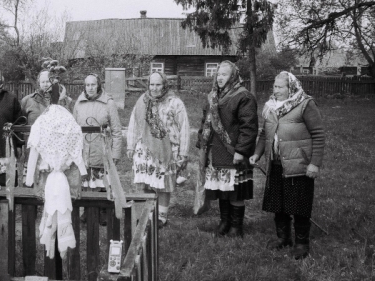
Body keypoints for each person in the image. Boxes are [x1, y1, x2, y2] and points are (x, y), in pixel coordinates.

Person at [250, 72, 325, 259]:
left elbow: (318, 134)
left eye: (280, 87)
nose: (276, 90)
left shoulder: (305, 104)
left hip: (298, 165)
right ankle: (283, 238)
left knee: (299, 205)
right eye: (274, 86)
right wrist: (257, 154)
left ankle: (301, 244)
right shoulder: (270, 107)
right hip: (276, 164)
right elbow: (263, 134)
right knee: (279, 204)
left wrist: (314, 164)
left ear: (290, 87)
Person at [198, 61, 258, 238]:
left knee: (235, 191)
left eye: (224, 74)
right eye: (218, 74)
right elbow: (205, 123)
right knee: (222, 189)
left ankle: (236, 227)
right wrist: (201, 146)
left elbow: (249, 127)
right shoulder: (213, 96)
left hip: (234, 152)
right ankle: (224, 222)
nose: (220, 78)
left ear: (233, 76)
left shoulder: (244, 96)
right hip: (216, 151)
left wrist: (241, 150)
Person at [127, 72, 190, 228]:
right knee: (144, 182)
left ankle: (161, 217)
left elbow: (184, 128)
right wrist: (130, 145)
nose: (154, 88)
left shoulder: (175, 103)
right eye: (152, 84)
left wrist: (183, 153)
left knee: (163, 184)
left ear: (165, 85)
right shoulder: (142, 101)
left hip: (166, 150)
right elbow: (133, 124)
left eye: (158, 85)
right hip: (145, 150)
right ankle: (145, 215)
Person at [73, 74, 122, 224]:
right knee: (86, 181)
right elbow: (74, 129)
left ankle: (104, 212)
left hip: (102, 150)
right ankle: (87, 211)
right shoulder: (79, 103)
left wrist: (116, 152)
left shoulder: (108, 103)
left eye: (93, 84)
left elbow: (116, 130)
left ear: (99, 85)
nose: (90, 88)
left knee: (103, 182)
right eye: (87, 85)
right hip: (84, 150)